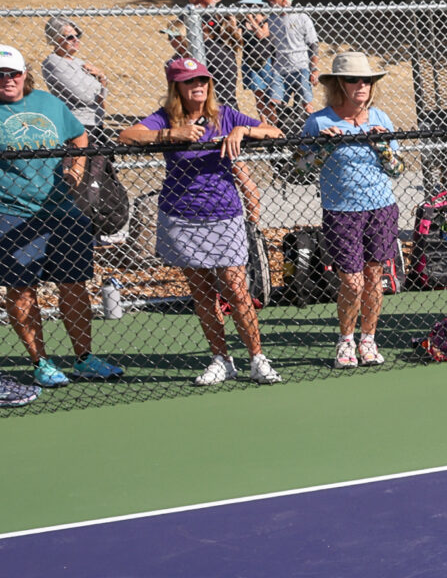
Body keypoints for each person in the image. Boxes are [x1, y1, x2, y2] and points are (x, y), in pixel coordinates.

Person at [124, 58, 284, 388]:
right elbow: (128, 135)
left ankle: (257, 358)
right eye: (189, 81)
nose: (198, 85)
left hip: (224, 213)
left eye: (202, 80)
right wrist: (171, 134)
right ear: (176, 88)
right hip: (180, 215)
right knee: (202, 293)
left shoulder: (224, 115)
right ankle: (221, 359)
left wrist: (244, 130)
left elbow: (275, 131)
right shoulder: (164, 118)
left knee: (238, 291)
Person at [0, 44, 119, 396]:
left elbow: (78, 134)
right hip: (12, 214)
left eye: (13, 73)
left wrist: (76, 169)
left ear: (25, 74)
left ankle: (83, 358)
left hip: (63, 213)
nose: (7, 80)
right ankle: (41, 363)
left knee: (74, 285)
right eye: (0, 75)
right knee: (21, 289)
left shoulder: (50, 103)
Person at [298, 52, 402, 368]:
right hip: (341, 211)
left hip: (381, 207)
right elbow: (300, 169)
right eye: (353, 80)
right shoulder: (319, 121)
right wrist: (324, 149)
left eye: (366, 80)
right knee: (352, 281)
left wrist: (382, 147)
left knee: (373, 277)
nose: (361, 85)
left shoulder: (381, 118)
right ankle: (346, 341)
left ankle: (368, 339)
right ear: (338, 85)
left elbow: (397, 170)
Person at [41, 19, 105, 137]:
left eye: (78, 36)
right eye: (70, 37)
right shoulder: (54, 62)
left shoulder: (79, 62)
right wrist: (99, 84)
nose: (76, 40)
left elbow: (100, 98)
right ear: (56, 38)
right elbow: (85, 97)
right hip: (78, 123)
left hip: (96, 122)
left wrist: (102, 78)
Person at [263, 0, 320, 118]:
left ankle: (311, 127)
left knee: (306, 103)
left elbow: (313, 44)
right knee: (274, 103)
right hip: (279, 69)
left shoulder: (301, 17)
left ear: (285, 0)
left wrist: (314, 69)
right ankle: (277, 131)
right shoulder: (271, 19)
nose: (270, 0)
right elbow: (271, 46)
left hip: (301, 66)